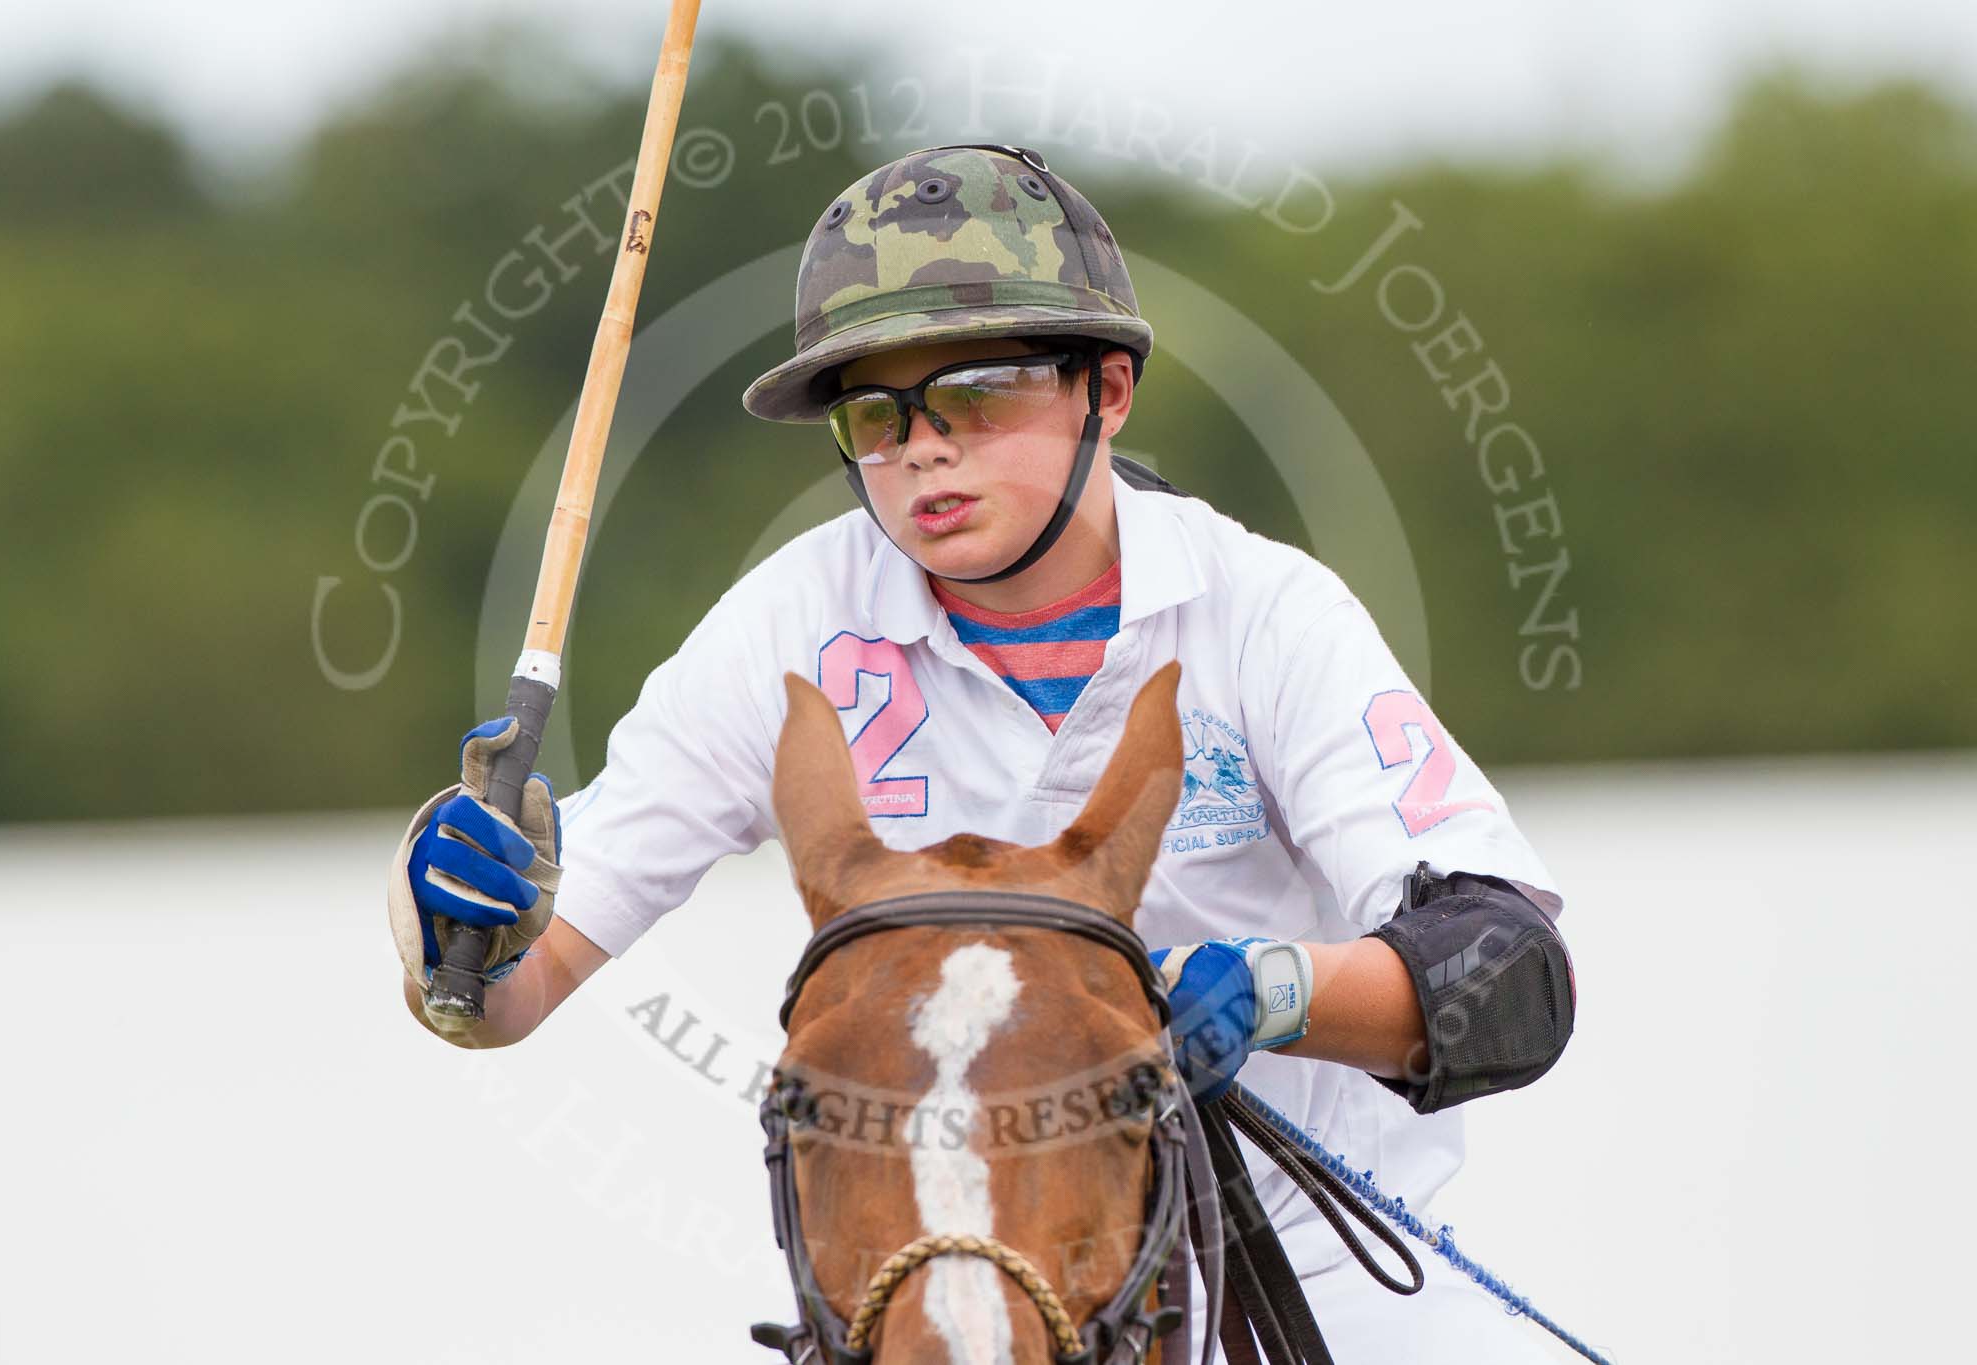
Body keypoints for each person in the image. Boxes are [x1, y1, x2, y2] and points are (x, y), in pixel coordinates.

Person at [386, 143, 1576, 1362]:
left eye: (975, 394)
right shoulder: (785, 629)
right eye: (875, 415)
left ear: (1104, 391)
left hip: (1307, 1300)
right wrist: (451, 926)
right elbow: (504, 995)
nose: (922, 451)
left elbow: (1510, 975)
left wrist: (1281, 990)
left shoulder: (1266, 613)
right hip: (926, 1315)